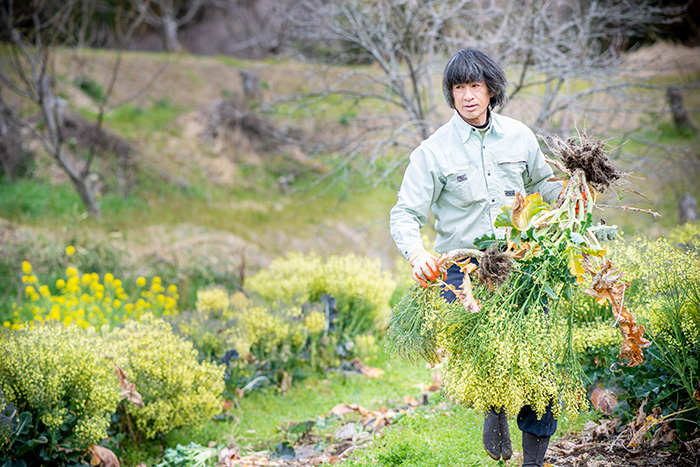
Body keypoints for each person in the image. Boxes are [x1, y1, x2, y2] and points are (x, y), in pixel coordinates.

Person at [389, 49, 563, 467]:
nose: (467, 96)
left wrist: (577, 196)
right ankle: (493, 405)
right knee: (487, 359)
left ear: (491, 90)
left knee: (537, 364)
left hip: (519, 266)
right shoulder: (432, 152)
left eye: (475, 86)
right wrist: (418, 256)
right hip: (462, 272)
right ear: (451, 94)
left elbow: (544, 185)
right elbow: (405, 214)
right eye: (458, 88)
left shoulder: (520, 136)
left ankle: (533, 462)